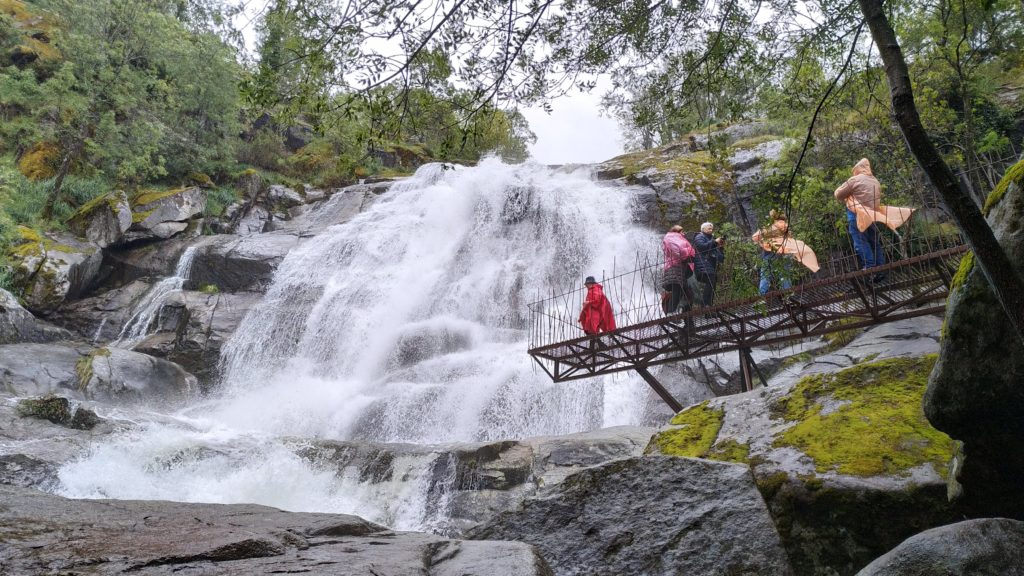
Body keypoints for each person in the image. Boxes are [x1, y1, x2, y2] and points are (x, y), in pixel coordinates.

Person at [834, 158, 914, 279]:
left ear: (858, 169)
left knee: (860, 241)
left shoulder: (855, 180)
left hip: (857, 215)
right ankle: (880, 269)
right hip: (872, 216)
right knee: (874, 242)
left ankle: (870, 267)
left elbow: (839, 195)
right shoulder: (875, 181)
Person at [751, 210, 820, 295]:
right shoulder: (785, 226)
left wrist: (763, 239)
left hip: (769, 255)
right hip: (785, 254)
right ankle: (788, 296)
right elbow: (789, 239)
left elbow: (754, 237)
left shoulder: (770, 227)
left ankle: (761, 297)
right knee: (785, 276)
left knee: (765, 276)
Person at [661, 225, 696, 313]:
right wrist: (689, 251)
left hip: (678, 269)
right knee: (678, 291)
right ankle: (670, 313)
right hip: (675, 268)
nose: (683, 234)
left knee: (686, 293)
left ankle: (687, 318)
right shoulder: (671, 238)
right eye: (681, 232)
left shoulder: (672, 239)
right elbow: (678, 251)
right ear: (676, 232)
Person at [693, 222, 725, 306]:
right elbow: (701, 247)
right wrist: (714, 242)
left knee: (712, 284)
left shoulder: (711, 239)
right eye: (709, 228)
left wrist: (721, 247)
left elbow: (721, 258)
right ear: (703, 229)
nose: (711, 230)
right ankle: (705, 306)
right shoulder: (699, 236)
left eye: (711, 228)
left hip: (710, 266)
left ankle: (708, 307)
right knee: (711, 282)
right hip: (702, 266)